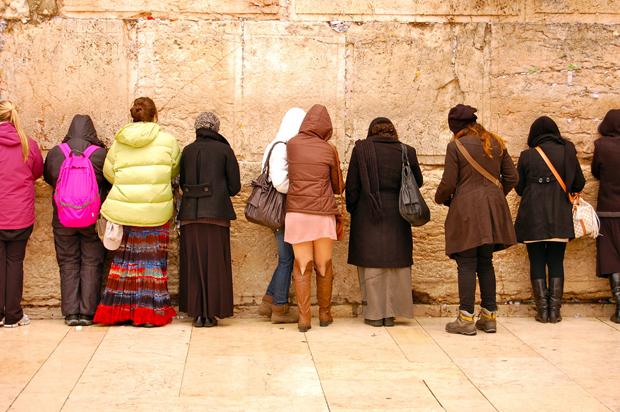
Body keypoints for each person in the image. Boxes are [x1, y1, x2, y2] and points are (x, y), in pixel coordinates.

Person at [94, 97, 181, 327]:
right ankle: (150, 313)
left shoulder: (119, 142)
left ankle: (121, 311)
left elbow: (109, 173)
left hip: (124, 210)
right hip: (155, 211)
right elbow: (174, 170)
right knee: (151, 262)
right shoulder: (168, 141)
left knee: (125, 262)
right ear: (156, 115)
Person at [435, 104, 518, 336]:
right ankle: (489, 317)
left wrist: (440, 198)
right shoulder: (496, 142)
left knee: (467, 262)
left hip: (468, 211)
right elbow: (512, 176)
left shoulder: (456, 146)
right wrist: (495, 197)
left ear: (456, 127)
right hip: (493, 210)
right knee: (485, 261)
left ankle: (465, 319)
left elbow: (449, 183)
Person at [346, 117, 423, 327]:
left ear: (371, 131)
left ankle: (375, 314)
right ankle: (392, 313)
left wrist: (353, 209)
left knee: (372, 264)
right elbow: (419, 182)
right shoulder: (407, 151)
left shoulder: (361, 150)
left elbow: (352, 186)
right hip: (398, 213)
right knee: (395, 264)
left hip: (367, 211)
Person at [514, 116, 585, 324]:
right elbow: (578, 183)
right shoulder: (568, 151)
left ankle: (542, 311)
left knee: (536, 260)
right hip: (560, 216)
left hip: (532, 216)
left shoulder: (527, 155)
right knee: (556, 261)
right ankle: (555, 312)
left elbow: (519, 188)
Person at [43, 115, 108, 326]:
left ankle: (71, 313)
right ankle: (88, 312)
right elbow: (109, 181)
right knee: (92, 261)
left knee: (68, 262)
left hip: (63, 217)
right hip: (91, 217)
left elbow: (49, 178)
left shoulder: (56, 153)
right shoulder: (99, 155)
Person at [178, 112, 241, 327]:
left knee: (194, 263)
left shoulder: (186, 151)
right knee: (214, 264)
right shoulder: (224, 150)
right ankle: (211, 313)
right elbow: (235, 187)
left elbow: (182, 182)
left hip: (189, 217)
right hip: (216, 217)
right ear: (216, 128)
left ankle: (197, 314)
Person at [285, 104, 344, 332]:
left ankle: (304, 318)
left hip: (297, 212)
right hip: (322, 214)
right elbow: (338, 187)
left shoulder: (292, 144)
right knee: (324, 264)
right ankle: (325, 314)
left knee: (302, 265)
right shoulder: (329, 149)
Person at [257, 108, 306, 324]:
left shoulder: (274, 144)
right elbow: (279, 182)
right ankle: (279, 307)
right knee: (288, 258)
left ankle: (268, 301)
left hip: (278, 210)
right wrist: (300, 187)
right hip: (282, 209)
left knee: (287, 257)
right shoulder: (282, 148)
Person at [0, 100, 44, 328]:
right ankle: (13, 315)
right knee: (15, 263)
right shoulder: (29, 144)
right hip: (19, 214)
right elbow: (37, 171)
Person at [592, 109, 620, 324]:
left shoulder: (602, 146)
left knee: (610, 255)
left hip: (608, 210)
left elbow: (596, 172)